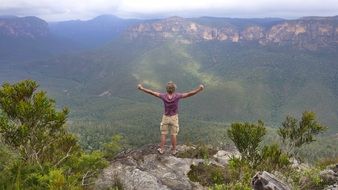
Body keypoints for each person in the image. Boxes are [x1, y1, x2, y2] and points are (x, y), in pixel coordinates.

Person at [137, 81, 204, 155]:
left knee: (163, 133)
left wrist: (142, 88)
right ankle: (174, 150)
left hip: (165, 117)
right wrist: (199, 89)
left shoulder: (163, 96)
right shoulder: (177, 96)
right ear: (174, 89)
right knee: (174, 134)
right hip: (174, 117)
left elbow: (152, 92)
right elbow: (189, 94)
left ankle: (162, 149)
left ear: (167, 89)